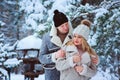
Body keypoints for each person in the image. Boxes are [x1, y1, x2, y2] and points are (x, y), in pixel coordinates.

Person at [39, 9, 73, 80]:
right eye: (62, 26)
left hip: (70, 75)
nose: (66, 27)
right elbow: (41, 58)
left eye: (66, 24)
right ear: (56, 27)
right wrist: (55, 56)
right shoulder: (47, 38)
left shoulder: (75, 37)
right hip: (52, 76)